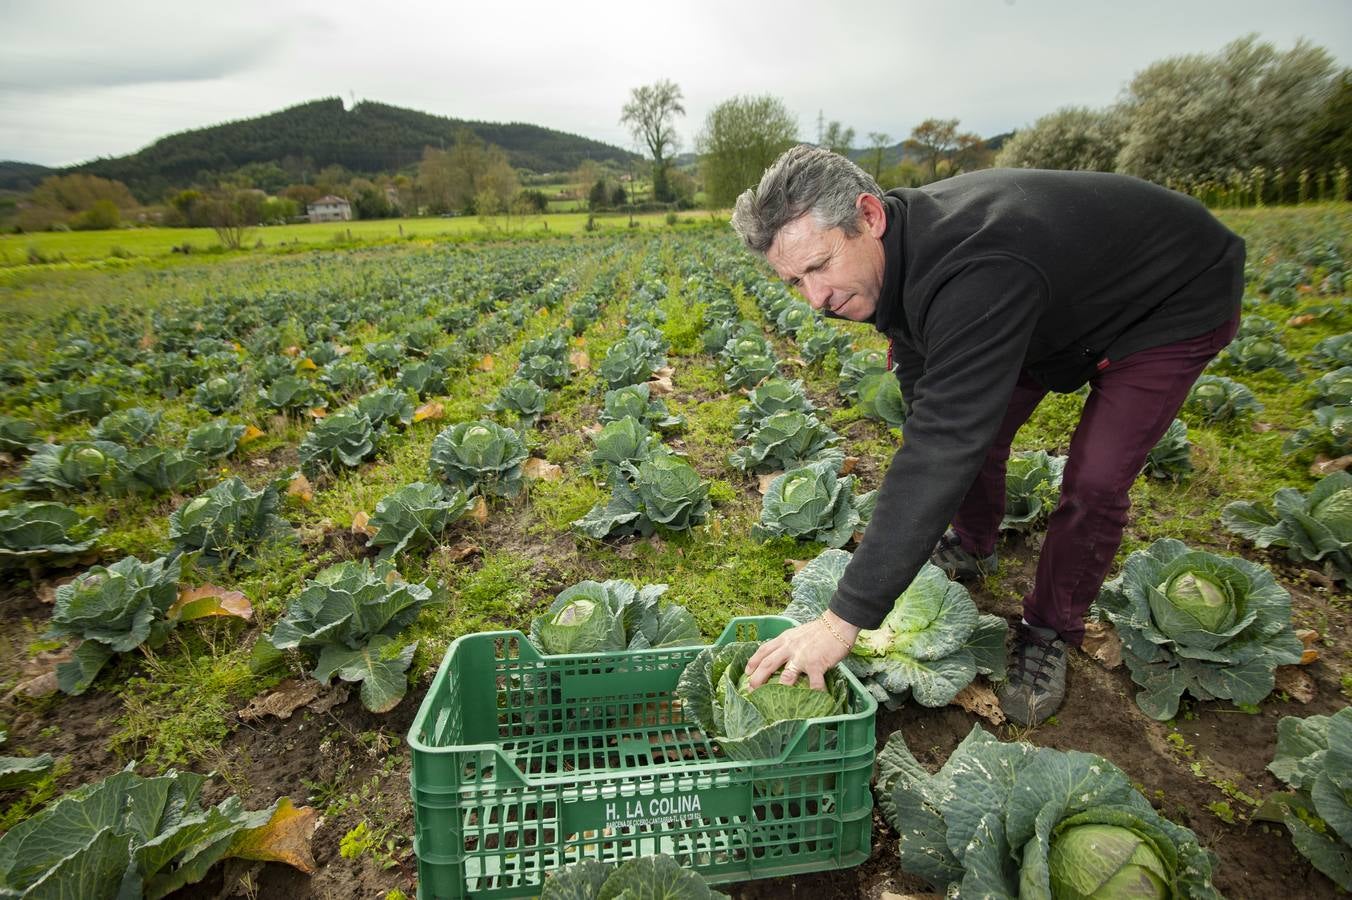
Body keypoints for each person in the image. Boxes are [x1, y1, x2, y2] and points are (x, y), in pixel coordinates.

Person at [735, 145, 1244, 725]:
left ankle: (1051, 627)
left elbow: (943, 445)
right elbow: (932, 414)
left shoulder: (975, 267)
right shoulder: (896, 259)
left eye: (821, 266)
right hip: (1050, 300)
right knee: (973, 427)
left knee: (1096, 479)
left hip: (1167, 297)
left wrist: (840, 620)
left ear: (870, 217)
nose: (816, 299)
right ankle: (974, 544)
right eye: (795, 280)